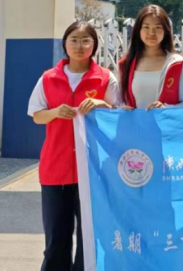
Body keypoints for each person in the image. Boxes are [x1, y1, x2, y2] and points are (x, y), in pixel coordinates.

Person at [27, 21, 119, 271]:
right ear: (65, 44)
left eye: (86, 40)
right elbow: (36, 115)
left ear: (94, 45)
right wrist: (55, 112)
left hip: (93, 172)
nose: (80, 46)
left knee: (90, 240)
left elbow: (119, 115)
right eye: (74, 40)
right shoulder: (49, 78)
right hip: (55, 169)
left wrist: (101, 104)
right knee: (56, 240)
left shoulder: (105, 78)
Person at [118, 5, 183, 109]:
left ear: (166, 30)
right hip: (136, 120)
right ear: (138, 30)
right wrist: (124, 109)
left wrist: (165, 109)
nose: (151, 33)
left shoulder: (178, 64)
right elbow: (119, 103)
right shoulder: (126, 64)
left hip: (166, 119)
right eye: (146, 27)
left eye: (158, 27)